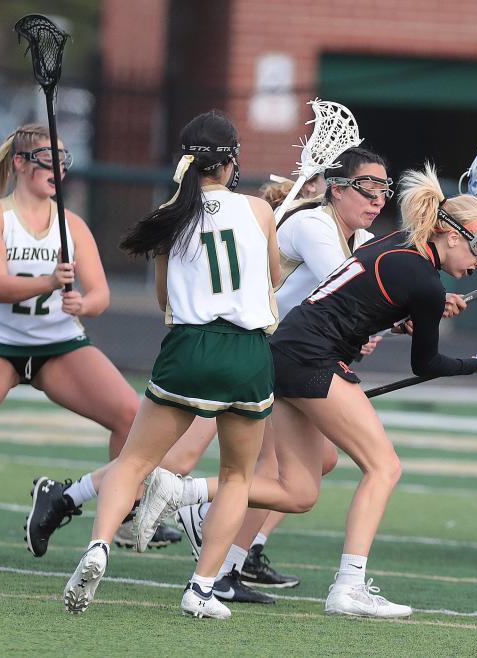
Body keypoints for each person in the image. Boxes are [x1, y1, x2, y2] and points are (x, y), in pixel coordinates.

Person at [135, 161, 477, 618]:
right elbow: (426, 363)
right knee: (384, 467)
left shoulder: (398, 245)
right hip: (312, 360)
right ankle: (349, 586)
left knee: (299, 492)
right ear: (451, 235)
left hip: (287, 352)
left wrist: (410, 320)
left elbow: (368, 302)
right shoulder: (426, 281)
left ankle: (181, 491)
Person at [62, 109, 280, 619]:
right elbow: (272, 278)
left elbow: (166, 297)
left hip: (187, 347)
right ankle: (201, 588)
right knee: (236, 478)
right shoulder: (260, 212)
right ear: (229, 162)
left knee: (135, 461)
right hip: (246, 353)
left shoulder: (169, 215)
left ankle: (99, 547)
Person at [175, 147, 388, 603]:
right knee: (243, 465)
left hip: (290, 355)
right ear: (336, 188)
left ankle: (224, 555)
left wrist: (417, 304)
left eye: (383, 190)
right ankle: (190, 507)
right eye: (367, 188)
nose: (376, 198)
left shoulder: (360, 236)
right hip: (264, 349)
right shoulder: (314, 225)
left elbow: (375, 288)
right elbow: (351, 286)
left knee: (317, 464)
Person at [0, 124, 196, 554]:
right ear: (19, 163)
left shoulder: (72, 224)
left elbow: (100, 294)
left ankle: (124, 513)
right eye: (47, 157)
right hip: (0, 343)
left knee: (130, 416)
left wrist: (83, 306)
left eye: (63, 159)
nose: (57, 167)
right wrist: (48, 281)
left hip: (59, 346)